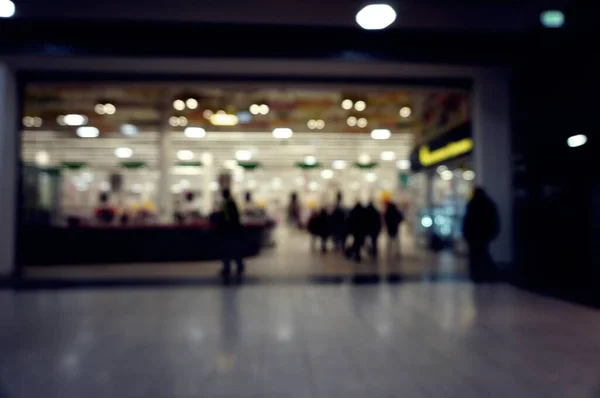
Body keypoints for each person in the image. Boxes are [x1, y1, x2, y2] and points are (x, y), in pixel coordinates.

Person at [462, 187, 500, 282]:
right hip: (484, 234)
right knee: (482, 253)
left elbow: (467, 221)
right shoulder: (488, 204)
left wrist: (466, 233)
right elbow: (494, 220)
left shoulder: (472, 204)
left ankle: (478, 274)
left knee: (475, 255)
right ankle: (487, 273)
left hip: (474, 235)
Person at [216, 188, 245, 276]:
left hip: (228, 230)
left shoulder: (226, 203)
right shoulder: (231, 202)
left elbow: (225, 217)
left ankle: (227, 268)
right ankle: (239, 265)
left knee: (227, 249)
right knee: (234, 249)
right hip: (233, 230)